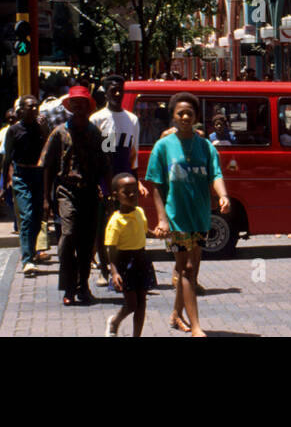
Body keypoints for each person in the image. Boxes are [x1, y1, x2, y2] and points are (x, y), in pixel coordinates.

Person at [146, 92, 230, 336]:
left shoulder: (205, 146)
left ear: (195, 117)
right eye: (180, 112)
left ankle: (175, 315)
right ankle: (196, 326)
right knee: (187, 269)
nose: (184, 116)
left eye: (189, 113)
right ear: (173, 115)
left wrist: (223, 195)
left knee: (191, 271)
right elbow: (157, 186)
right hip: (176, 217)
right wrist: (162, 219)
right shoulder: (162, 147)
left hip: (200, 216)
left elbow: (215, 174)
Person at [40, 86, 111, 306]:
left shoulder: (96, 133)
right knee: (69, 235)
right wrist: (45, 198)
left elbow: (105, 166)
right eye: (75, 104)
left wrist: (108, 193)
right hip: (66, 190)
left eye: (83, 104)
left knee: (87, 241)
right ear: (69, 107)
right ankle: (68, 287)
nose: (78, 108)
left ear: (89, 108)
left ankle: (83, 287)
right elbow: (47, 167)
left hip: (89, 191)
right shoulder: (59, 133)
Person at [91, 76, 139, 288]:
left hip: (126, 181)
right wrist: (100, 185)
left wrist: (136, 184)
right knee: (105, 227)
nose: (117, 94)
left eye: (120, 90)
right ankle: (104, 269)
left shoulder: (132, 120)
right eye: (113, 90)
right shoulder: (99, 119)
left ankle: (121, 269)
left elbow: (132, 155)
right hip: (105, 181)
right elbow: (102, 156)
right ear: (105, 91)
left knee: (125, 227)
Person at [1, 95, 47, 274]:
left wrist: (45, 129)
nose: (34, 110)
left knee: (37, 217)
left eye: (36, 106)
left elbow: (49, 148)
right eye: (30, 107)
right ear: (21, 110)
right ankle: (27, 259)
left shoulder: (41, 128)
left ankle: (32, 250)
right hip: (21, 176)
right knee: (26, 216)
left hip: (38, 174)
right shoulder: (13, 130)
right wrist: (4, 181)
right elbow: (7, 157)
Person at [104, 173, 152, 337]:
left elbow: (144, 231)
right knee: (132, 303)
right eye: (127, 192)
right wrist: (114, 271)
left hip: (142, 260)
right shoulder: (116, 221)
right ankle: (115, 321)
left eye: (134, 191)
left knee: (142, 303)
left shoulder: (140, 212)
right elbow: (111, 249)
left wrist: (158, 233)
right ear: (116, 195)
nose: (132, 195)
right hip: (125, 263)